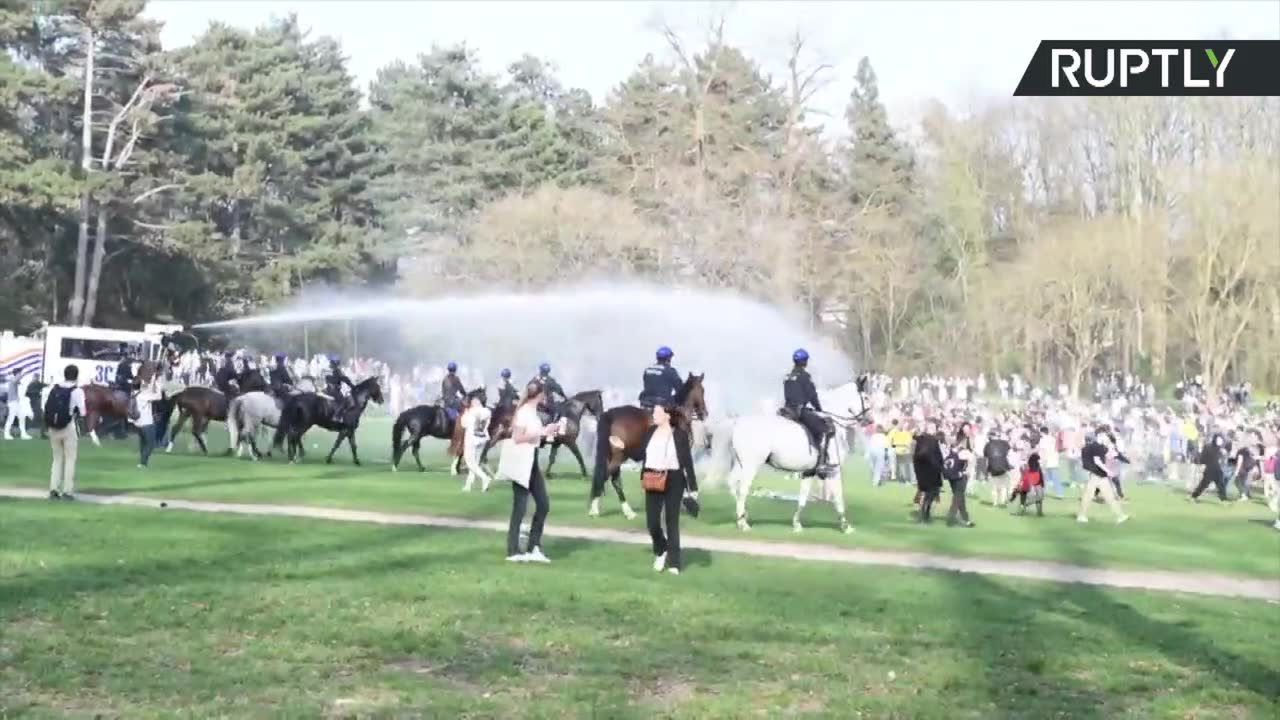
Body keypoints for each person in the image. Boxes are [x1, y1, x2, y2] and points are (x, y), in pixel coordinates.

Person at [497, 382, 558, 563]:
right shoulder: (523, 412)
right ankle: (513, 550)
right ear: (539, 395)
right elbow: (517, 438)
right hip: (522, 461)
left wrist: (546, 434)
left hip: (531, 459)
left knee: (543, 504)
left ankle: (533, 547)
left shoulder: (531, 412)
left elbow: (532, 436)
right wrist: (541, 432)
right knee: (520, 507)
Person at [638, 403, 699, 575]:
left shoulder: (679, 435)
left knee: (672, 522)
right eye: (654, 412)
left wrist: (693, 487)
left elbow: (687, 461)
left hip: (674, 479)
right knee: (652, 523)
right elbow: (640, 453)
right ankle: (661, 550)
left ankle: (674, 563)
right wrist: (622, 446)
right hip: (652, 478)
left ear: (667, 415)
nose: (654, 414)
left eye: (657, 412)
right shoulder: (650, 432)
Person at [782, 349, 834, 475]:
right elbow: (812, 395)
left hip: (786, 409)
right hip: (799, 411)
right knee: (826, 429)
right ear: (805, 362)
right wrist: (819, 409)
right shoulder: (805, 376)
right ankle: (821, 464)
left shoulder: (787, 376)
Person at [45, 364, 87, 500]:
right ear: (76, 376)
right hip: (68, 426)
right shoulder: (77, 391)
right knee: (70, 459)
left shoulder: (55, 388)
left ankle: (53, 489)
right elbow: (83, 412)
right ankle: (67, 491)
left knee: (56, 459)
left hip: (53, 427)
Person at [1078, 433, 1129, 523]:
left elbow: (1106, 455)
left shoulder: (1099, 447)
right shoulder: (1097, 447)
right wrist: (1108, 471)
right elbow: (1097, 461)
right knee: (1089, 496)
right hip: (1096, 475)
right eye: (1106, 438)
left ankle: (1120, 516)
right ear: (1100, 437)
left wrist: (1114, 453)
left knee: (1108, 496)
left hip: (1100, 475)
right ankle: (1081, 516)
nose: (1107, 440)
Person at [912, 423, 945, 523]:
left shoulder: (919, 440)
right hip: (932, 472)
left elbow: (915, 457)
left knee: (925, 493)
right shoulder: (933, 441)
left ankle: (923, 514)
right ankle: (924, 515)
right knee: (931, 494)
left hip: (921, 472)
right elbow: (938, 457)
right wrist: (940, 468)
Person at [943, 437, 974, 527]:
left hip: (951, 478)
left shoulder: (948, 456)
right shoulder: (962, 453)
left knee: (960, 499)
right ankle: (951, 518)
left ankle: (966, 520)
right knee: (957, 498)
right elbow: (971, 460)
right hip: (960, 478)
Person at [1189, 434, 1230, 502]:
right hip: (1210, 469)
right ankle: (1193, 496)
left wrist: (1223, 454)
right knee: (1203, 484)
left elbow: (1221, 458)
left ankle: (1224, 500)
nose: (1220, 441)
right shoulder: (1208, 446)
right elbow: (1203, 457)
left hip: (1217, 469)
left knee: (1221, 485)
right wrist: (1202, 464)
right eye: (1219, 440)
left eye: (1221, 440)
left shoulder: (1219, 448)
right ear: (1215, 439)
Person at [131, 378, 162, 468]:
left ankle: (143, 462)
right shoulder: (143, 395)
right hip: (147, 422)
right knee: (151, 444)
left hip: (137, 423)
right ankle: (142, 462)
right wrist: (158, 386)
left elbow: (146, 389)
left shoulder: (133, 394)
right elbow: (158, 397)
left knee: (143, 443)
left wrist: (151, 381)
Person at [638, 346, 682, 410]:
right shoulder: (670, 371)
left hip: (645, 402)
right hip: (662, 403)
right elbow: (679, 389)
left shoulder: (647, 370)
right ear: (668, 358)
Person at [3, 370, 33, 440]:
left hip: (17, 402)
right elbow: (16, 380)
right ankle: (6, 434)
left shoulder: (15, 380)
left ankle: (23, 433)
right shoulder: (12, 379)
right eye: (19, 373)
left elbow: (19, 383)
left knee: (22, 417)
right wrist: (24, 374)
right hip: (13, 402)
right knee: (11, 418)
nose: (20, 375)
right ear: (17, 374)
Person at [325, 355, 354, 423]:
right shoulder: (337, 371)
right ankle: (336, 416)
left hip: (327, 389)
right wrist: (352, 385)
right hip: (334, 390)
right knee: (344, 401)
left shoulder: (328, 370)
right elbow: (344, 379)